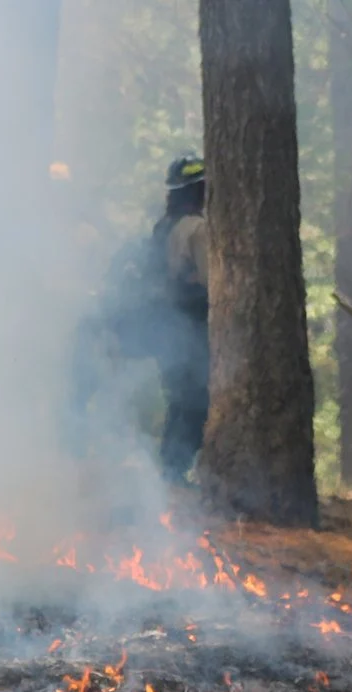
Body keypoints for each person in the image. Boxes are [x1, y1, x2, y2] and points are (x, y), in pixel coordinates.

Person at [154, 155, 211, 484]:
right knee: (194, 399)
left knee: (179, 397)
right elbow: (211, 281)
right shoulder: (197, 228)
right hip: (191, 326)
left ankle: (170, 471)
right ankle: (173, 472)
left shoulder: (164, 226)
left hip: (167, 326)